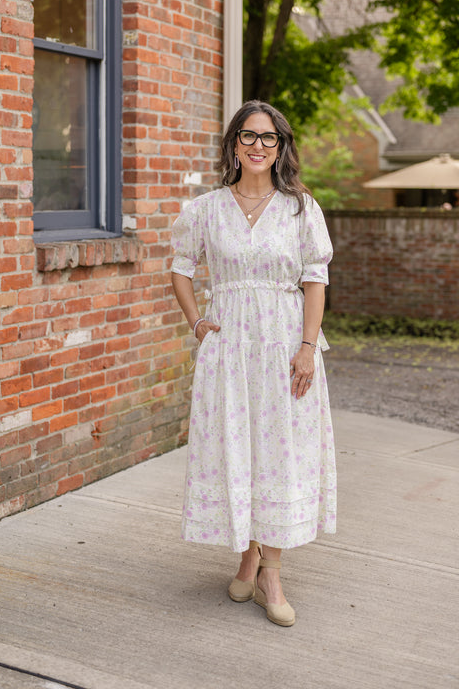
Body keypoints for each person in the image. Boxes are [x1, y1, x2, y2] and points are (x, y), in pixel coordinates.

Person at [170, 99, 337, 627]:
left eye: (269, 138)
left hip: (286, 345)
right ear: (233, 144)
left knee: (279, 453)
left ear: (281, 147)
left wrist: (308, 348)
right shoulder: (205, 209)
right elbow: (179, 268)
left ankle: (271, 572)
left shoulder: (300, 208)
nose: (258, 146)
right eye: (249, 136)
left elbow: (315, 279)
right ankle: (247, 554)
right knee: (239, 449)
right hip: (230, 349)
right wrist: (198, 322)